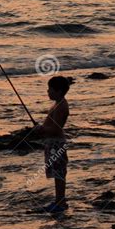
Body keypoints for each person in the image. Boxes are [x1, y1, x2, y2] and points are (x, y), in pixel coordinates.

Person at [34, 76, 70, 213]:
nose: (48, 91)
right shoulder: (57, 104)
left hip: (57, 144)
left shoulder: (61, 106)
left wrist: (41, 129)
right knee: (57, 173)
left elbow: (56, 129)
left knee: (59, 173)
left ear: (59, 91)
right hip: (52, 143)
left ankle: (60, 203)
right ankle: (59, 201)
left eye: (50, 89)